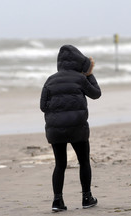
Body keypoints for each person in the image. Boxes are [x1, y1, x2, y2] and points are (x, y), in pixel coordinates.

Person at [40, 45, 101, 212]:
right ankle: (87, 198)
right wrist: (90, 75)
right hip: (77, 128)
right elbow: (96, 93)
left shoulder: (50, 80)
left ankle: (57, 201)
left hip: (55, 130)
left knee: (60, 164)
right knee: (83, 161)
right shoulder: (80, 79)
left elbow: (43, 106)